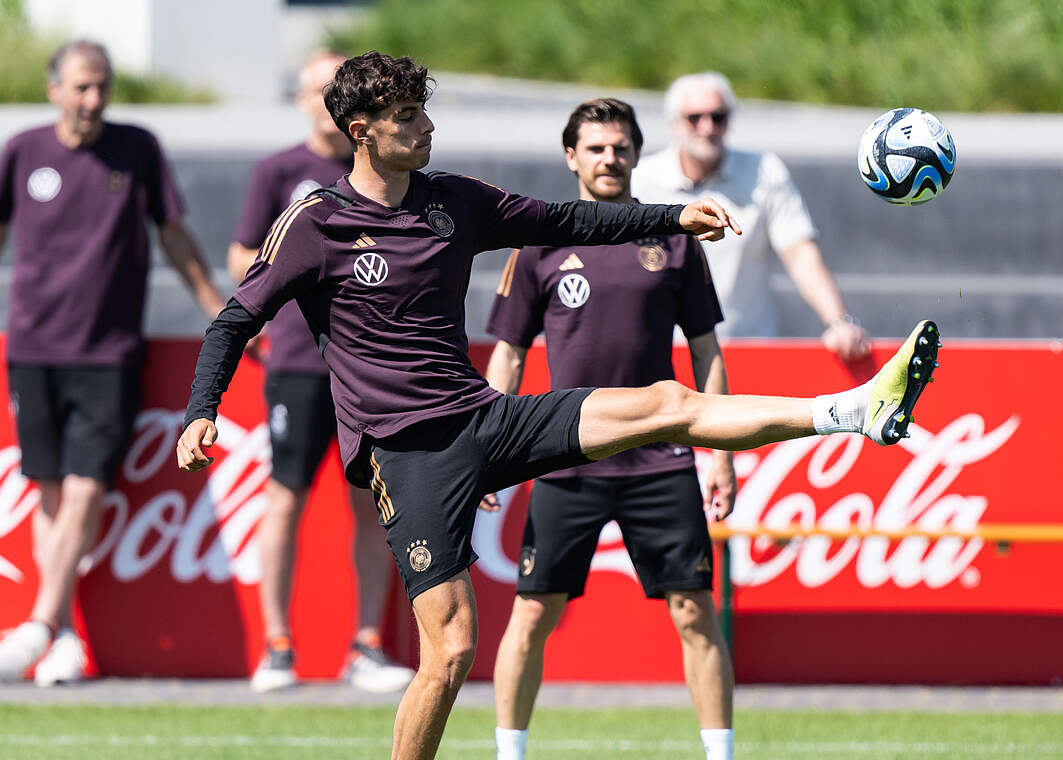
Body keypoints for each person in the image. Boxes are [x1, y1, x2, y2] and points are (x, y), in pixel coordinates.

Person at [175, 52, 939, 760]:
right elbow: (235, 319)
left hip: (485, 418)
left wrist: (674, 216)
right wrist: (202, 408)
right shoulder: (315, 223)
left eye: (423, 111)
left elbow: (569, 220)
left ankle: (853, 411)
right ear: (361, 132)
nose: (427, 126)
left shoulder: (456, 203)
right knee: (450, 652)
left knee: (668, 402)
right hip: (405, 453)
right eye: (408, 116)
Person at [0, 39, 225, 687]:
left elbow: (174, 235)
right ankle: (64, 634)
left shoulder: (139, 148)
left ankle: (37, 622)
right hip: (34, 349)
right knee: (49, 492)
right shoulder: (24, 151)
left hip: (108, 351)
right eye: (80, 87)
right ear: (54, 90)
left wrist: (220, 310)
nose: (92, 99)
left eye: (101, 86)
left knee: (86, 488)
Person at [484, 98, 736, 760]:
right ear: (571, 156)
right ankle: (510, 754)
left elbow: (707, 351)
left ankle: (721, 755)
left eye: (620, 147)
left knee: (694, 612)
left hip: (660, 458)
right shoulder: (539, 240)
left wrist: (719, 457)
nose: (608, 158)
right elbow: (508, 354)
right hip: (567, 457)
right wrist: (483, 452)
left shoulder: (674, 238)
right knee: (534, 614)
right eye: (595, 148)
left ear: (635, 154)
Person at [227, 50, 414, 694]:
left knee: (372, 503)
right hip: (299, 364)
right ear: (304, 99)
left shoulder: (384, 170)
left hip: (370, 370)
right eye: (317, 90)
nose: (328, 100)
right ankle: (276, 646)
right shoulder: (280, 170)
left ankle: (367, 645)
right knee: (285, 496)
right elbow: (242, 257)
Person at [632, 71, 870, 362]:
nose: (707, 127)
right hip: (662, 355)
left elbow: (799, 255)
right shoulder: (641, 179)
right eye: (695, 117)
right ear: (674, 123)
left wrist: (839, 322)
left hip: (744, 353)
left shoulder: (764, 172)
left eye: (717, 117)